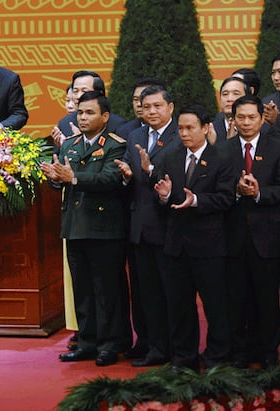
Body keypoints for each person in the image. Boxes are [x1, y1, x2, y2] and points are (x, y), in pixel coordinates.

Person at [41, 91, 128, 366]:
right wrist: (55, 178)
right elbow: (64, 181)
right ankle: (87, 342)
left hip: (104, 229)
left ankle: (110, 344)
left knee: (107, 291)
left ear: (105, 116)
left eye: (90, 113)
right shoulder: (70, 145)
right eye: (80, 112)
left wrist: (74, 177)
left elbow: (109, 179)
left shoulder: (116, 145)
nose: (83, 117)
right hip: (75, 226)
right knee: (83, 289)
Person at [153, 105, 236, 371]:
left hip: (209, 245)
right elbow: (162, 200)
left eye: (190, 128)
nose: (185, 133)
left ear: (206, 128)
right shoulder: (170, 157)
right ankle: (183, 358)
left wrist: (196, 200)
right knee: (179, 306)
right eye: (181, 128)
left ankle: (217, 357)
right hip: (176, 245)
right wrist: (165, 197)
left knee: (216, 305)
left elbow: (226, 199)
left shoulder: (221, 158)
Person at [220, 95, 280, 369]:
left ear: (262, 118)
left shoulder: (278, 148)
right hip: (232, 237)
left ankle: (269, 352)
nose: (247, 122)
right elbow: (216, 190)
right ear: (233, 119)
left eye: (252, 117)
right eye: (241, 117)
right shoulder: (223, 150)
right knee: (236, 298)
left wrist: (259, 192)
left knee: (266, 298)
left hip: (268, 236)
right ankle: (240, 352)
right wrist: (236, 193)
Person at [115, 85, 180, 367]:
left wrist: (151, 171)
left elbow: (178, 178)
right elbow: (131, 177)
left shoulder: (181, 135)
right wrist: (128, 176)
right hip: (139, 226)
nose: (151, 111)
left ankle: (176, 349)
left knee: (173, 293)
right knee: (146, 294)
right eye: (146, 106)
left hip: (169, 226)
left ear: (170, 108)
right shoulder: (136, 135)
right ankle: (153, 346)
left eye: (157, 106)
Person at [52, 71, 127, 146]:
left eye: (84, 91)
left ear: (99, 93)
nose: (78, 96)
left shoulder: (118, 125)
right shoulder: (65, 123)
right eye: (75, 91)